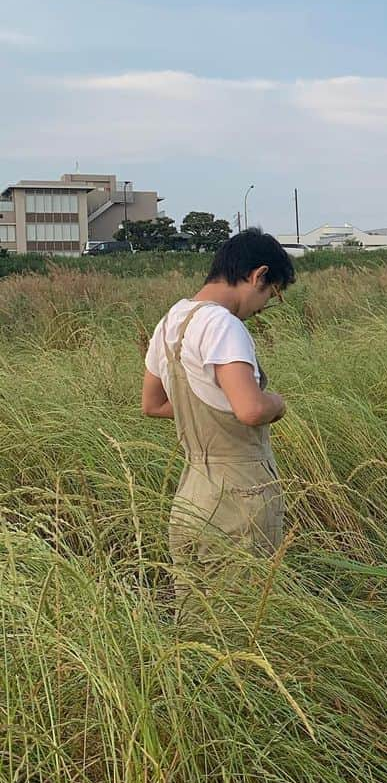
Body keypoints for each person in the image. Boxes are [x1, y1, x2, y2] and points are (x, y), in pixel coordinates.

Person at [141, 229, 296, 611]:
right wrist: (277, 403)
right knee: (243, 625)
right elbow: (251, 410)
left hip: (191, 498)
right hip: (239, 499)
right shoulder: (223, 325)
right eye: (271, 295)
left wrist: (216, 402)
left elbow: (153, 403)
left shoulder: (170, 323)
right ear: (258, 276)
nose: (262, 308)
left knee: (196, 625)